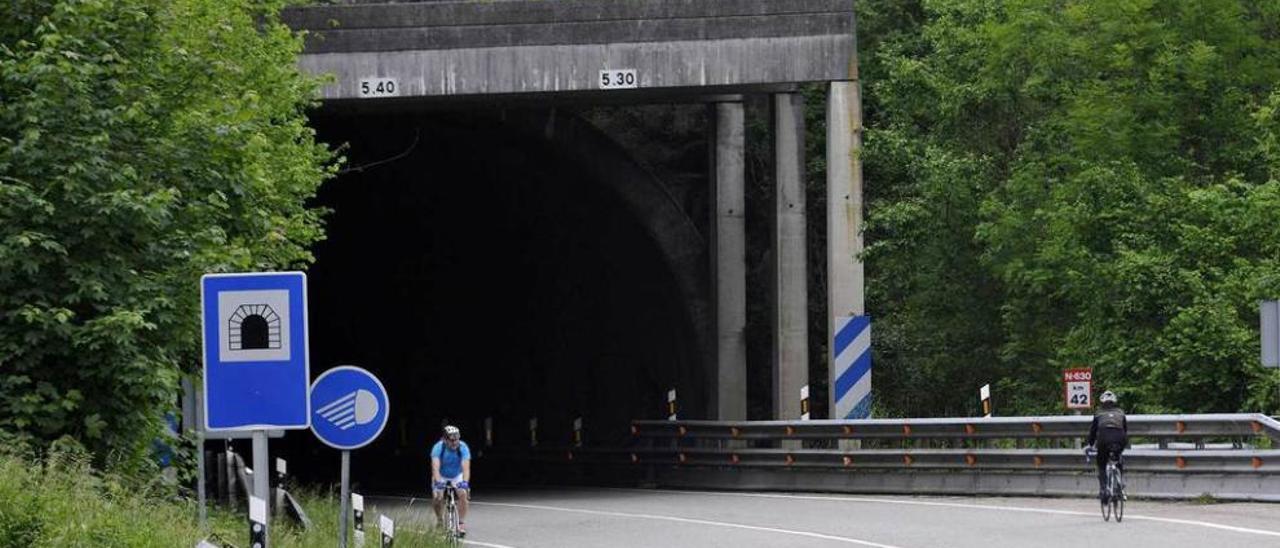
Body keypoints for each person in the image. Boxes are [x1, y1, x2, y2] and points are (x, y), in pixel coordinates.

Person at [1085, 390, 1128, 502]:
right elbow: (1125, 429)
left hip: (1104, 439)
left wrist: (1090, 444)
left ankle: (1104, 489)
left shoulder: (1098, 413)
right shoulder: (1121, 412)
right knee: (1119, 458)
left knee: (1101, 462)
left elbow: (1093, 432)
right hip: (1120, 438)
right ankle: (1120, 484)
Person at [431, 425, 472, 536]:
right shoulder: (438, 448)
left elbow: (466, 468)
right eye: (452, 440)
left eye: (457, 439)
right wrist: (438, 483)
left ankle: (461, 522)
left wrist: (465, 483)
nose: (455, 443)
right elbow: (435, 467)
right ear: (444, 440)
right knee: (438, 496)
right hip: (441, 474)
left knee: (463, 493)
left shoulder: (463, 447)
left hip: (456, 475)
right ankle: (440, 520)